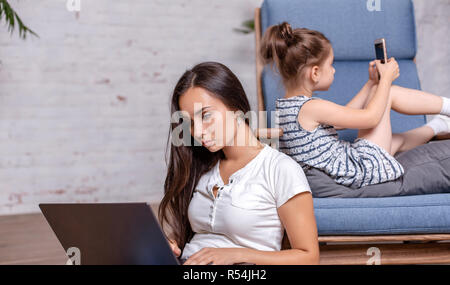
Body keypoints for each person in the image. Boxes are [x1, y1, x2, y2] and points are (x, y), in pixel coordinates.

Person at [158, 62, 319, 265]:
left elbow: (308, 257)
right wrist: (171, 247)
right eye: (189, 122)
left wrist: (236, 254)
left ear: (236, 107)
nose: (197, 132)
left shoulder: (280, 169)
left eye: (205, 115)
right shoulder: (201, 166)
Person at [260, 22, 450, 189]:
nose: (334, 70)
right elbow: (370, 118)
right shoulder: (311, 107)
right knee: (388, 93)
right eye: (331, 65)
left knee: (397, 140)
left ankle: (437, 126)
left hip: (349, 170)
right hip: (361, 171)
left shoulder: (285, 107)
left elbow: (343, 119)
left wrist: (370, 84)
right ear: (315, 73)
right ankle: (447, 106)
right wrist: (385, 81)